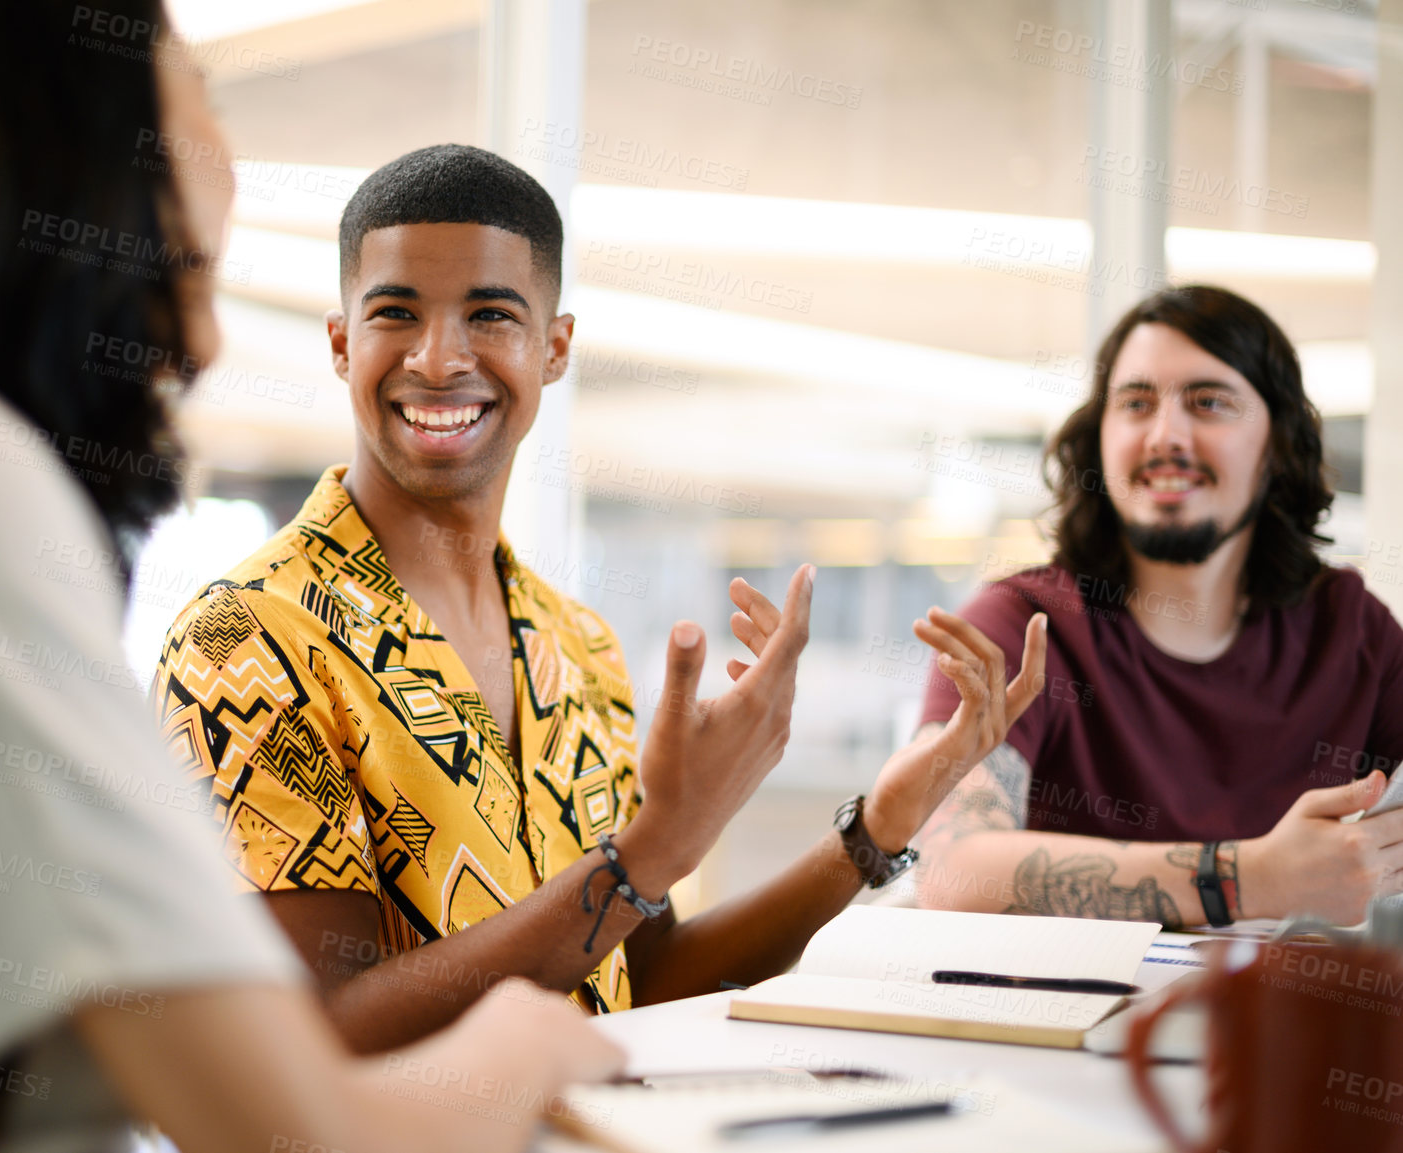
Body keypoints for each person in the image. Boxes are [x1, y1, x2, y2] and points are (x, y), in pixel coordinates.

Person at [0, 5, 622, 1152]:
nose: (219, 150)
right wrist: (539, 1043)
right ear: (61, 132)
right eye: (197, 92)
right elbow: (292, 1123)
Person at [153, 143, 1047, 1052]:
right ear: (342, 344)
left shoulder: (573, 646)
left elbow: (637, 977)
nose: (437, 357)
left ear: (555, 349)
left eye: (490, 315)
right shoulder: (245, 637)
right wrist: (649, 852)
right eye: (395, 314)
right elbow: (318, 1039)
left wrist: (875, 828)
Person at [914, 285, 1403, 928]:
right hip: (1061, 1027)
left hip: (1282, 1022)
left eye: (1208, 402)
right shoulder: (1019, 624)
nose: (1166, 434)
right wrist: (1246, 878)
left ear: (1276, 446)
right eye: (1137, 404)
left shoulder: (1352, 629)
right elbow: (951, 868)